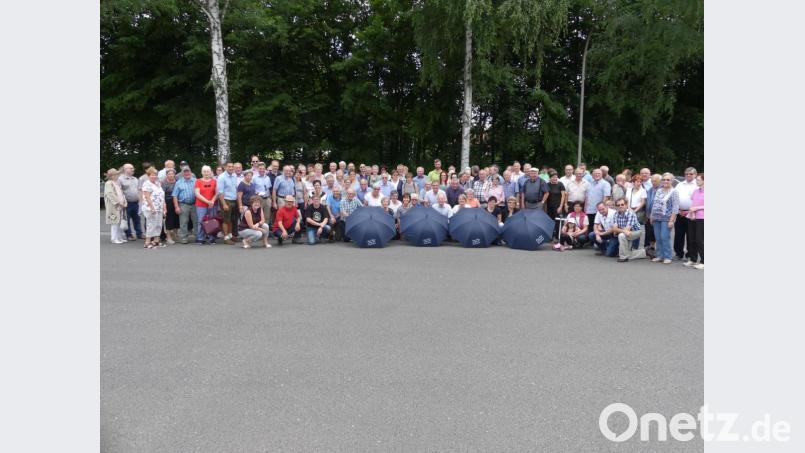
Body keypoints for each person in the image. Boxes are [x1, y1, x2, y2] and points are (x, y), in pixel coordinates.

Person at [649, 173, 680, 264]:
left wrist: (672, 220)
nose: (665, 181)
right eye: (664, 179)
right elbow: (654, 204)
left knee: (664, 237)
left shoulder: (674, 192)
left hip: (667, 218)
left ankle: (667, 256)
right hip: (656, 217)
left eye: (668, 180)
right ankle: (660, 255)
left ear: (672, 181)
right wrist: (652, 216)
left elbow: (675, 207)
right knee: (658, 238)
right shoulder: (659, 190)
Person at [674, 167, 699, 260]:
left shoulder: (698, 185)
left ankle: (690, 254)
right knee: (678, 234)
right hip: (679, 213)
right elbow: (675, 197)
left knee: (691, 235)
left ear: (695, 175)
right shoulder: (680, 185)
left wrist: (689, 211)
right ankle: (678, 253)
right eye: (686, 174)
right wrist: (678, 210)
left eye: (691, 174)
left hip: (692, 214)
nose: (688, 175)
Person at [612, 198, 646, 262]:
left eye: (622, 204)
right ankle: (641, 253)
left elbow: (627, 229)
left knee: (621, 235)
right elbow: (614, 229)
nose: (620, 206)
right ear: (616, 207)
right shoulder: (616, 214)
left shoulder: (631, 213)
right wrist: (622, 230)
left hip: (636, 232)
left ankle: (623, 257)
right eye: (618, 205)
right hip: (626, 232)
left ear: (626, 205)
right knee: (622, 235)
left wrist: (619, 230)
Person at [141, 167, 166, 249]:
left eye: (155, 174)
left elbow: (162, 196)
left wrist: (164, 207)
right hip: (151, 208)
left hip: (159, 207)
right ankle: (147, 242)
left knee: (159, 224)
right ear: (148, 175)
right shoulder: (146, 183)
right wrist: (152, 207)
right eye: (152, 175)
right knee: (151, 224)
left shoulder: (158, 183)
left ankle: (156, 240)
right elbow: (147, 196)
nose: (154, 176)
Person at [171, 166, 197, 244]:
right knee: (183, 222)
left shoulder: (196, 181)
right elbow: (175, 195)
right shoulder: (178, 182)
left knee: (196, 221)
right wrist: (176, 207)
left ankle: (198, 237)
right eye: (184, 172)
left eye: (188, 171)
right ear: (182, 173)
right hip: (183, 204)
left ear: (191, 172)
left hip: (195, 204)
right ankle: (184, 238)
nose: (186, 173)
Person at [194, 165, 218, 245]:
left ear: (210, 172)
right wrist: (208, 202)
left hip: (212, 204)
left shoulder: (214, 181)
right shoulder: (198, 181)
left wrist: (212, 201)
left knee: (211, 221)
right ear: (202, 172)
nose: (206, 173)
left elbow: (217, 193)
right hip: (201, 205)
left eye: (208, 171)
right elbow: (197, 194)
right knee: (201, 221)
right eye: (204, 171)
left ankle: (211, 238)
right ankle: (200, 238)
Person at [216, 162, 240, 244]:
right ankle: (226, 238)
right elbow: (220, 192)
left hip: (234, 200)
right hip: (226, 200)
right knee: (226, 220)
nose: (231, 168)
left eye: (232, 166)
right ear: (225, 167)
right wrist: (224, 204)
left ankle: (230, 236)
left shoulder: (234, 175)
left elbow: (235, 189)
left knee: (232, 220)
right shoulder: (221, 177)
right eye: (229, 166)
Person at [119, 163, 143, 240]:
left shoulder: (135, 179)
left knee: (137, 219)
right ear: (125, 169)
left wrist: (140, 200)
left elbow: (139, 190)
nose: (133, 169)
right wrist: (122, 202)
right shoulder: (120, 179)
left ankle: (139, 234)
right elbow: (119, 191)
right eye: (131, 168)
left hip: (136, 203)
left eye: (133, 168)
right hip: (126, 203)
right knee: (127, 220)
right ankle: (129, 235)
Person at [685, 173, 704, 270]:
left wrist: (697, 208)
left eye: (699, 180)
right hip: (692, 217)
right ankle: (693, 259)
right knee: (691, 239)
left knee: (699, 240)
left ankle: (703, 261)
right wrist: (692, 213)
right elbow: (693, 203)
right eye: (697, 180)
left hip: (702, 218)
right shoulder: (696, 191)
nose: (697, 181)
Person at [103, 169, 127, 244]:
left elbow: (121, 193)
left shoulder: (116, 183)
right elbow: (110, 194)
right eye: (116, 174)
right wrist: (118, 202)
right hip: (113, 206)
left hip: (120, 205)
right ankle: (114, 238)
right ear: (112, 176)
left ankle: (119, 237)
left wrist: (124, 201)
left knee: (119, 222)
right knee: (114, 222)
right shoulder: (109, 183)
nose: (118, 176)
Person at [543, 170, 567, 239]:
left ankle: (557, 236)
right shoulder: (547, 184)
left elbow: (563, 196)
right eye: (553, 177)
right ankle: (550, 236)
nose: (554, 178)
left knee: (558, 222)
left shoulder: (560, 184)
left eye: (556, 177)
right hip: (549, 206)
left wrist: (561, 206)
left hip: (558, 206)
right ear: (550, 178)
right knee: (550, 221)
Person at [161, 169, 179, 244]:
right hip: (167, 202)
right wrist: (163, 205)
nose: (171, 175)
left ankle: (174, 235)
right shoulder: (164, 183)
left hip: (177, 202)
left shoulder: (177, 182)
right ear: (166, 175)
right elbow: (162, 195)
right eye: (169, 174)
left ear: (174, 174)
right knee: (169, 220)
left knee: (176, 220)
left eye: (172, 174)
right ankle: (168, 237)